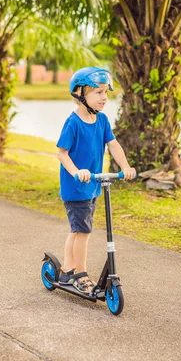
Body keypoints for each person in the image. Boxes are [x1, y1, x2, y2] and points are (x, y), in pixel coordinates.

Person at [56, 67, 136, 294]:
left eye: (106, 93)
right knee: (84, 231)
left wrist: (125, 166)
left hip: (92, 186)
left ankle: (66, 270)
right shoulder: (73, 123)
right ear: (81, 94)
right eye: (99, 92)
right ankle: (80, 274)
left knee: (77, 229)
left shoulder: (101, 121)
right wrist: (76, 172)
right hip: (76, 187)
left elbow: (113, 145)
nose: (104, 98)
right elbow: (62, 153)